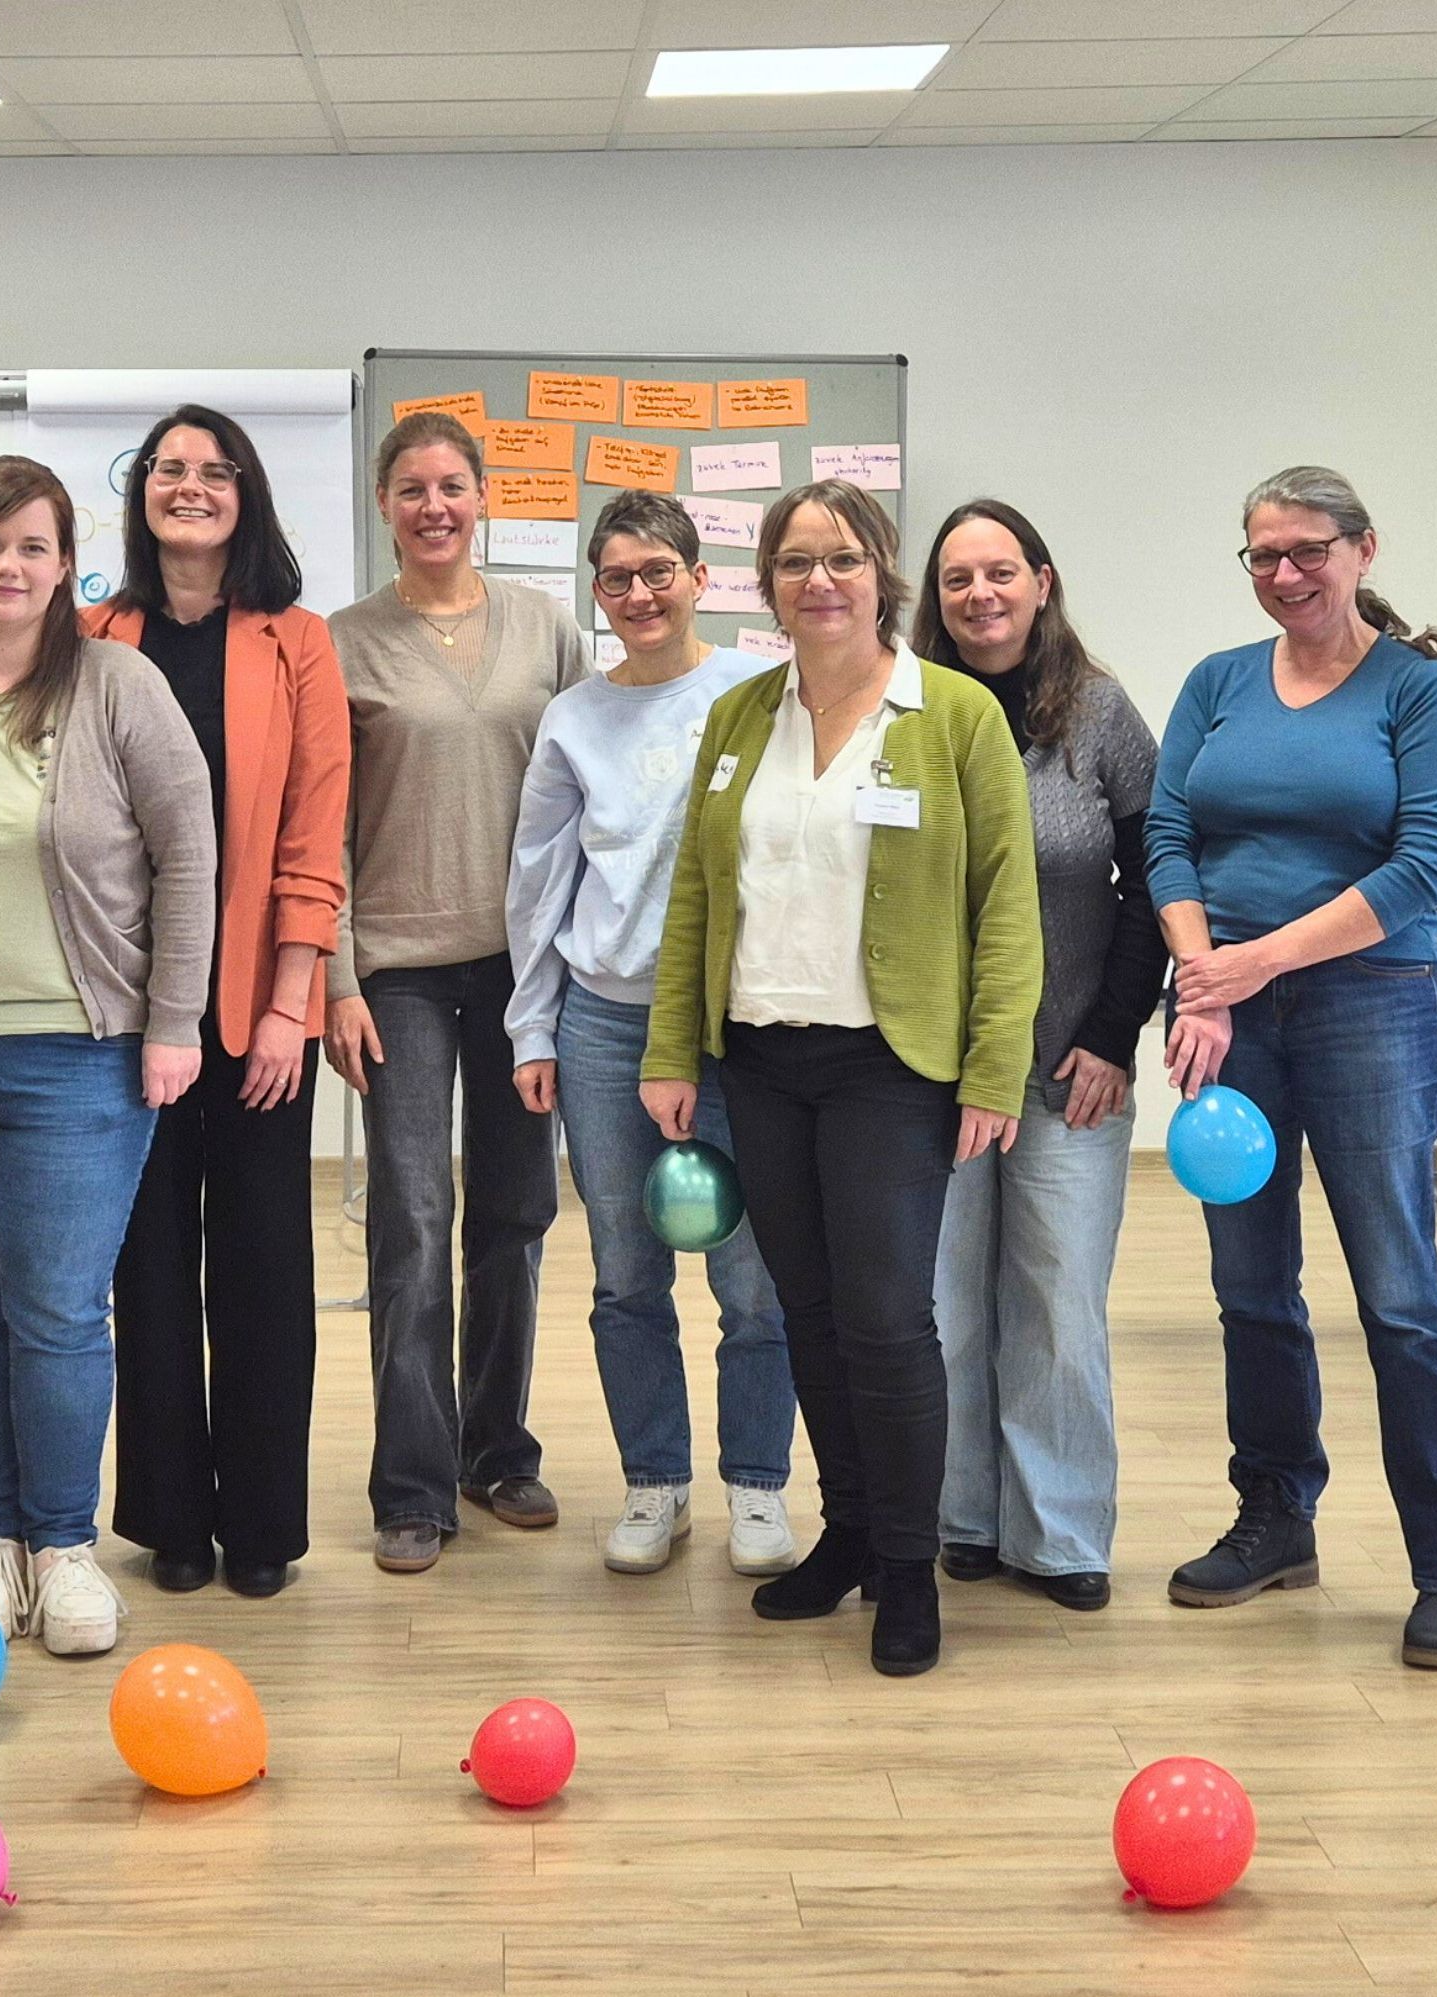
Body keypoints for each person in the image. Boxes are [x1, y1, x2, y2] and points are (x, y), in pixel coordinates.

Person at [641, 478, 1041, 1678]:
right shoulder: (738, 716)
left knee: (884, 1319)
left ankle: (910, 1566)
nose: (821, 579)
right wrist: (671, 1047)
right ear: (764, 584)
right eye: (796, 560)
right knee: (803, 1313)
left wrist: (993, 1069)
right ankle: (852, 1530)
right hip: (761, 1057)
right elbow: (696, 896)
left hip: (890, 1066)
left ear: (881, 577)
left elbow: (1005, 908)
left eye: (844, 558)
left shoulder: (955, 714)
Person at [0, 455, 216, 1660]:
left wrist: (174, 1020)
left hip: (78, 1052)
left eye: (33, 546)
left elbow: (189, 853)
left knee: (58, 1309)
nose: (8, 567)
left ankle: (65, 1545)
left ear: (67, 565)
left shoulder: (119, 685)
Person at [1148, 465, 1437, 1670]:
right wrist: (1204, 976)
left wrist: (1252, 964)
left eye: (1307, 550)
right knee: (1250, 1286)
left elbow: (1423, 867)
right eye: (1261, 556)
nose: (1285, 575)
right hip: (1228, 1014)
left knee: (1400, 1297)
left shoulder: (1417, 689)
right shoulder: (1215, 684)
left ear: (1361, 549)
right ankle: (1274, 1519)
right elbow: (1167, 836)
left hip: (1371, 1010)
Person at [505, 491, 797, 1579]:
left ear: (698, 577)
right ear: (597, 593)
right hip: (602, 1025)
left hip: (732, 1029)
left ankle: (758, 1488)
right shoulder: (573, 717)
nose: (637, 594)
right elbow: (538, 885)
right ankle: (654, 1481)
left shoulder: (758, 694)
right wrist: (532, 1027)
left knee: (752, 1277)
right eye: (616, 578)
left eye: (656, 571)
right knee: (627, 1273)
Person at [87, 404, 351, 1599]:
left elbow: (313, 830)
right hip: (121, 1020)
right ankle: (169, 1521)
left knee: (257, 1269)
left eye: (213, 470)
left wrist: (294, 1000)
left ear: (245, 495)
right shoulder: (92, 635)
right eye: (168, 470)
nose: (189, 486)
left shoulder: (294, 641)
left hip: (254, 1013)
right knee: (143, 1270)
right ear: (140, 493)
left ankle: (259, 1525)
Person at [323, 410, 584, 1575]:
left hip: (529, 971)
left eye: (453, 485)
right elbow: (311, 827)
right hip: (400, 972)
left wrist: (580, 963)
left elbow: (597, 795)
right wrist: (333, 976)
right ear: (385, 504)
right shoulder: (339, 642)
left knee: (517, 1215)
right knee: (414, 1223)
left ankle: (496, 1448)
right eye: (412, 487)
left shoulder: (545, 626)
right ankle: (413, 1483)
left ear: (482, 498)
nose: (434, 505)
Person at [914, 499, 1165, 1612]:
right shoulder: (905, 706)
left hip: (1070, 1063)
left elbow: (1161, 881)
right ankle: (963, 1516)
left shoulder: (1098, 713)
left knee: (1058, 1301)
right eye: (958, 578)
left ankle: (1059, 1532)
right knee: (943, 1303)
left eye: (999, 572)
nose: (980, 595)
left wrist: (1113, 1035)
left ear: (1042, 581)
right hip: (930, 1066)